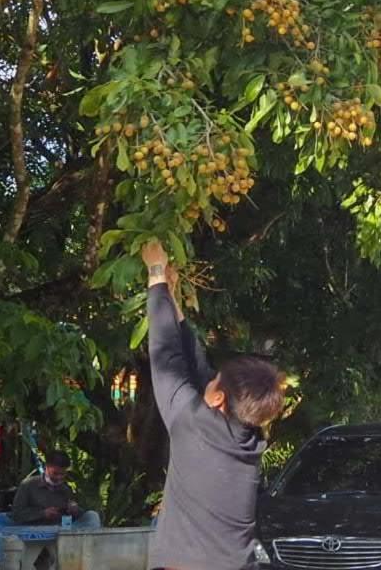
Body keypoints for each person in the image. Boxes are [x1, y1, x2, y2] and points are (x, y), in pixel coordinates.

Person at [141, 240, 285, 570]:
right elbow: (194, 362)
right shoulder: (248, 437)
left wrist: (156, 271)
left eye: (214, 381)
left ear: (218, 398)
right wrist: (171, 296)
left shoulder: (193, 425)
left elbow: (165, 353)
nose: (207, 379)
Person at [11, 450, 101, 528]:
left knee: (92, 516)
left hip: (61, 531)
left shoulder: (66, 488)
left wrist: (75, 510)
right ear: (46, 467)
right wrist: (42, 514)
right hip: (35, 530)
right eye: (55, 473)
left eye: (62, 474)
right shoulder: (28, 485)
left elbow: (76, 516)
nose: (59, 478)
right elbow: (16, 514)